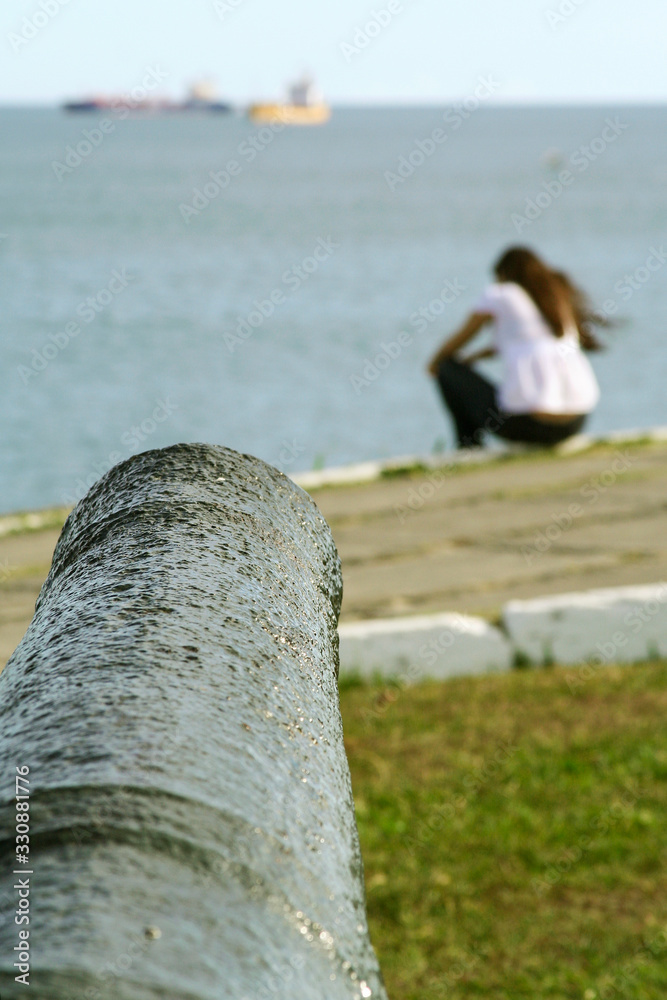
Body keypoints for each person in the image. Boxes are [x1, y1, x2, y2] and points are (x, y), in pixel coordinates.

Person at [427, 246, 606, 449]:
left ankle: (469, 446)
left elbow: (463, 336)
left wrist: (434, 363)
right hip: (576, 422)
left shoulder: (502, 293)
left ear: (504, 274)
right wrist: (474, 357)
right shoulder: (556, 293)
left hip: (527, 424)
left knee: (447, 368)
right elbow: (524, 342)